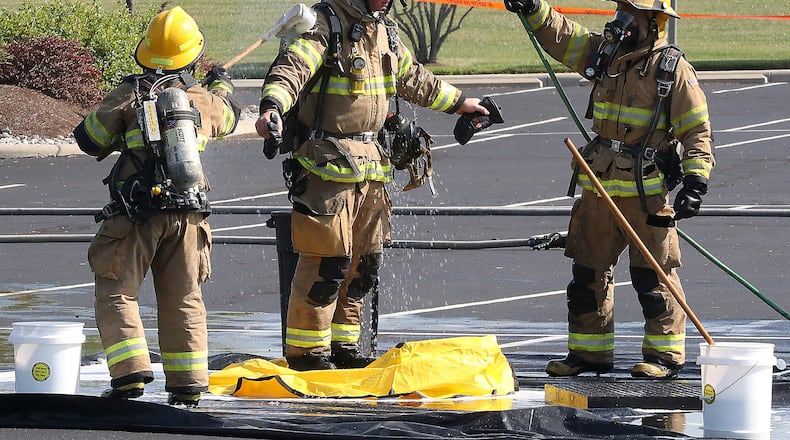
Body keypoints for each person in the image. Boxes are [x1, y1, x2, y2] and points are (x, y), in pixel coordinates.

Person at [256, 0, 492, 370]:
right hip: (327, 167)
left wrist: (462, 104)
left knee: (363, 266)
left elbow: (414, 79)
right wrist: (272, 107)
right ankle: (307, 354)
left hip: (372, 165)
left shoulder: (386, 30)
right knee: (325, 264)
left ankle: (344, 347)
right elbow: (292, 69)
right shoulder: (324, 24)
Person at [503, 0, 714, 378]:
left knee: (654, 278)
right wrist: (533, 8)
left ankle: (664, 357)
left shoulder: (673, 70)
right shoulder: (606, 53)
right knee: (587, 275)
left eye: (630, 15)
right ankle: (589, 354)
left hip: (645, 194)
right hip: (598, 189)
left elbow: (697, 130)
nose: (621, 21)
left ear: (652, 22)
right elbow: (561, 36)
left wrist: (696, 180)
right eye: (620, 12)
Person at [72, 6, 241, 405]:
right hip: (188, 216)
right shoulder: (201, 100)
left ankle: (130, 376)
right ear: (193, 57)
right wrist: (222, 86)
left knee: (117, 292)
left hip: (136, 216)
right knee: (184, 298)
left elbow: (88, 137)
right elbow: (230, 118)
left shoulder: (130, 94)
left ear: (146, 53)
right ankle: (188, 385)